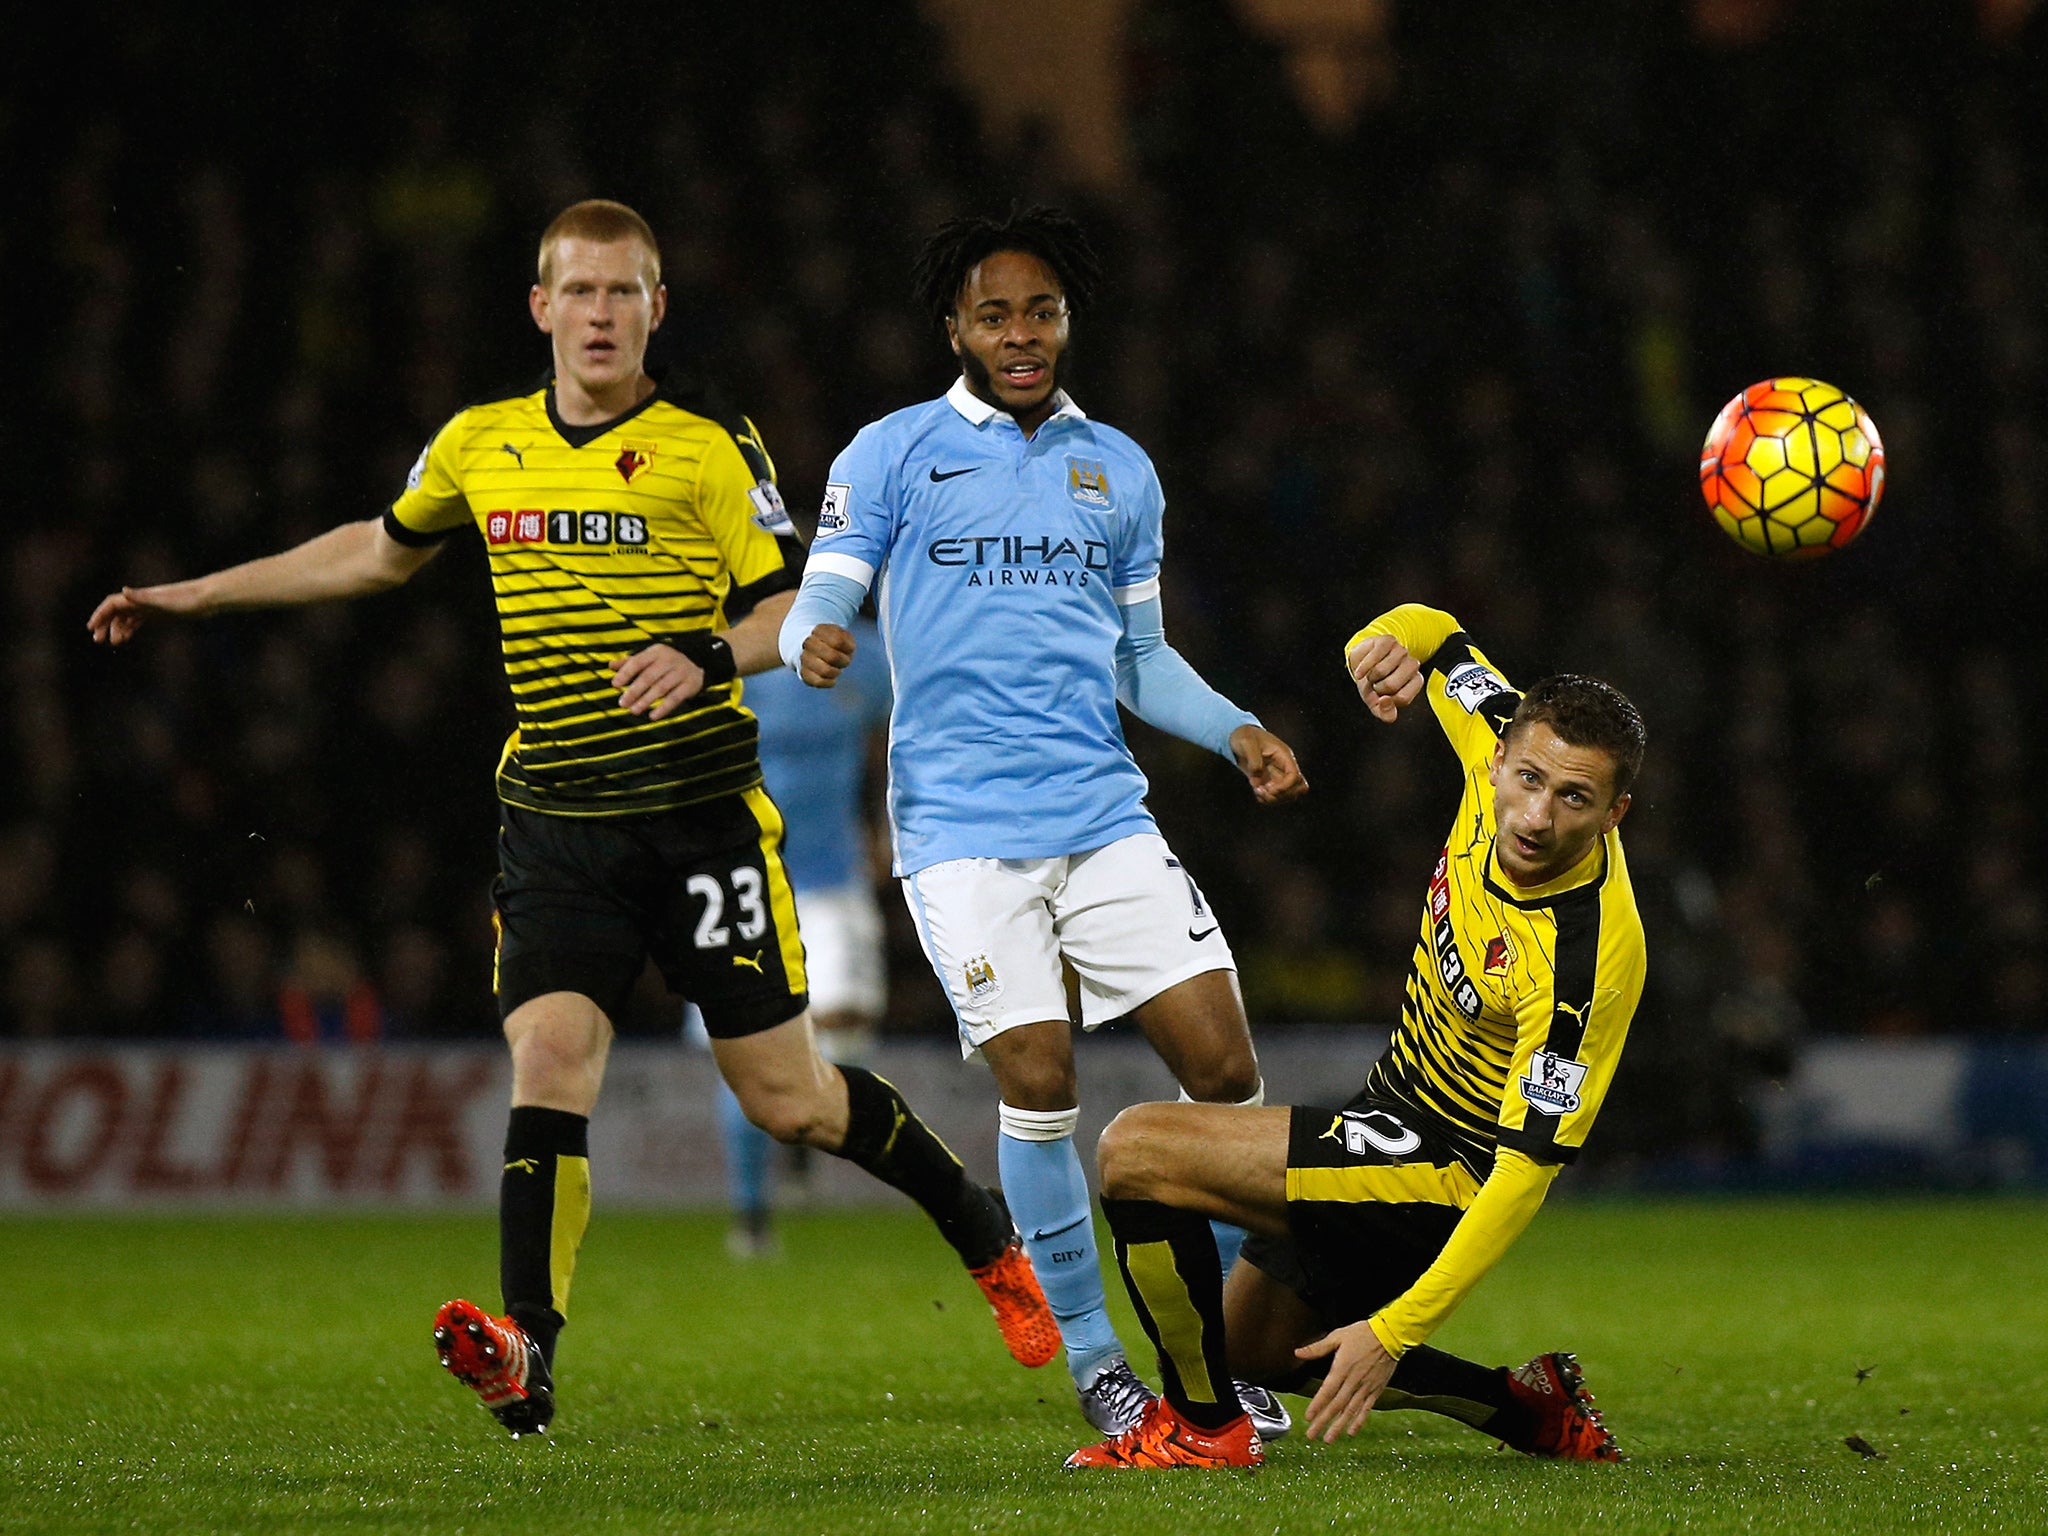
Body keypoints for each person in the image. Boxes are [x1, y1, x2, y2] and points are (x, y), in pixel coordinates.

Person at [87, 198, 1057, 1438]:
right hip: (554, 824)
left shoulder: (710, 445)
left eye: (624, 293)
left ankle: (977, 1225)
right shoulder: (481, 444)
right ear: (540, 308)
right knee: (549, 1066)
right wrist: (199, 598)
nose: (601, 315)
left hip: (703, 822)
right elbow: (379, 552)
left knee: (790, 1102)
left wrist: (702, 654)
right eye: (579, 293)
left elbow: (789, 616)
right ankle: (525, 1352)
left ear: (658, 308)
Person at [778, 207, 1305, 1439]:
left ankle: (1219, 1365)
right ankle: (1095, 1363)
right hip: (959, 830)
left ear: (1068, 323)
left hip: (1100, 812)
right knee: (1039, 1075)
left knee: (1226, 1072)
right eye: (995, 313)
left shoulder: (1116, 468)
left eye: (1042, 312)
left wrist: (1233, 728)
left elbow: (1140, 655)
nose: (1021, 335)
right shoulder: (894, 452)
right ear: (951, 326)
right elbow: (831, 579)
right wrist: (816, 630)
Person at [1063, 604, 1647, 1469]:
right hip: (1391, 1112)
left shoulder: (1588, 958)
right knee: (1256, 1351)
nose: (1536, 815)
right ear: (1499, 758)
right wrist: (1371, 651)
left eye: (1574, 799)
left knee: (1136, 1150)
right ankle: (1527, 1411)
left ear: (1614, 813)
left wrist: (1393, 1330)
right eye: (1527, 780)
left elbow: (1523, 1177)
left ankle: (1199, 1429)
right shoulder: (1495, 728)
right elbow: (1435, 632)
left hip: (1455, 1171)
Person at [699, 615, 893, 1257]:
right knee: (743, 1049)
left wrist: (893, 817)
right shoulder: (732, 651)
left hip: (833, 876)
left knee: (847, 1024)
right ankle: (750, 1215)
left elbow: (905, 734)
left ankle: (806, 1130)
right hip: (746, 878)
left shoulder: (865, 655)